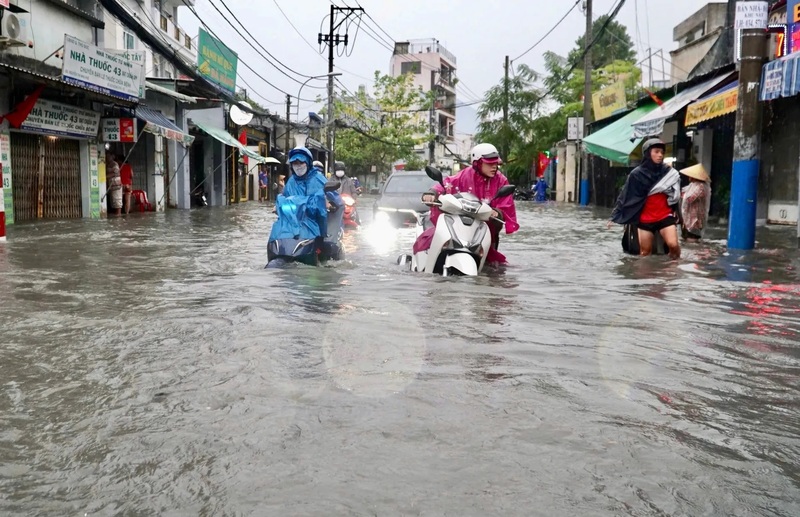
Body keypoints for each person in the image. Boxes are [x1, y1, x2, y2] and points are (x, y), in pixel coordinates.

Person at [414, 143, 519, 265]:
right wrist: (433, 193)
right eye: (490, 163)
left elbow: (505, 205)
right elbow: (446, 184)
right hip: (460, 226)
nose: (494, 167)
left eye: (496, 163)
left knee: (494, 271)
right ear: (477, 163)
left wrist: (497, 213)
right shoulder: (464, 175)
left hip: (486, 230)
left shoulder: (501, 180)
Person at [607, 138, 681, 259]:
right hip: (645, 218)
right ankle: (646, 277)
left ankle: (673, 270)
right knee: (645, 253)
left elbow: (675, 194)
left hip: (665, 215)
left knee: (673, 245)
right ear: (648, 153)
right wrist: (615, 215)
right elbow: (625, 195)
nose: (660, 155)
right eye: (656, 152)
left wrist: (677, 213)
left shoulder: (669, 173)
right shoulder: (636, 175)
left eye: (662, 152)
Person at [280, 146, 342, 237]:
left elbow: (336, 200)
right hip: (294, 225)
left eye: (301, 162)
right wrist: (278, 206)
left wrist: (329, 204)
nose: (298, 166)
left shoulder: (318, 178)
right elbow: (285, 198)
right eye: (295, 163)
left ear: (308, 163)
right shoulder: (291, 182)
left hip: (315, 223)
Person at [679, 164, 712, 242]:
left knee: (692, 241)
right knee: (686, 239)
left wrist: (683, 195)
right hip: (688, 218)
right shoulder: (692, 185)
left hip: (695, 220)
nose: (689, 177)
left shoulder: (701, 187)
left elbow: (690, 199)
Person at [105, 152, 122, 217]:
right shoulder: (108, 164)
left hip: (116, 185)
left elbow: (116, 173)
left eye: (108, 156)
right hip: (111, 185)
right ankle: (116, 215)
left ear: (112, 157)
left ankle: (118, 215)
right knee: (113, 202)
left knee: (117, 201)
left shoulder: (114, 164)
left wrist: (106, 176)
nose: (107, 157)